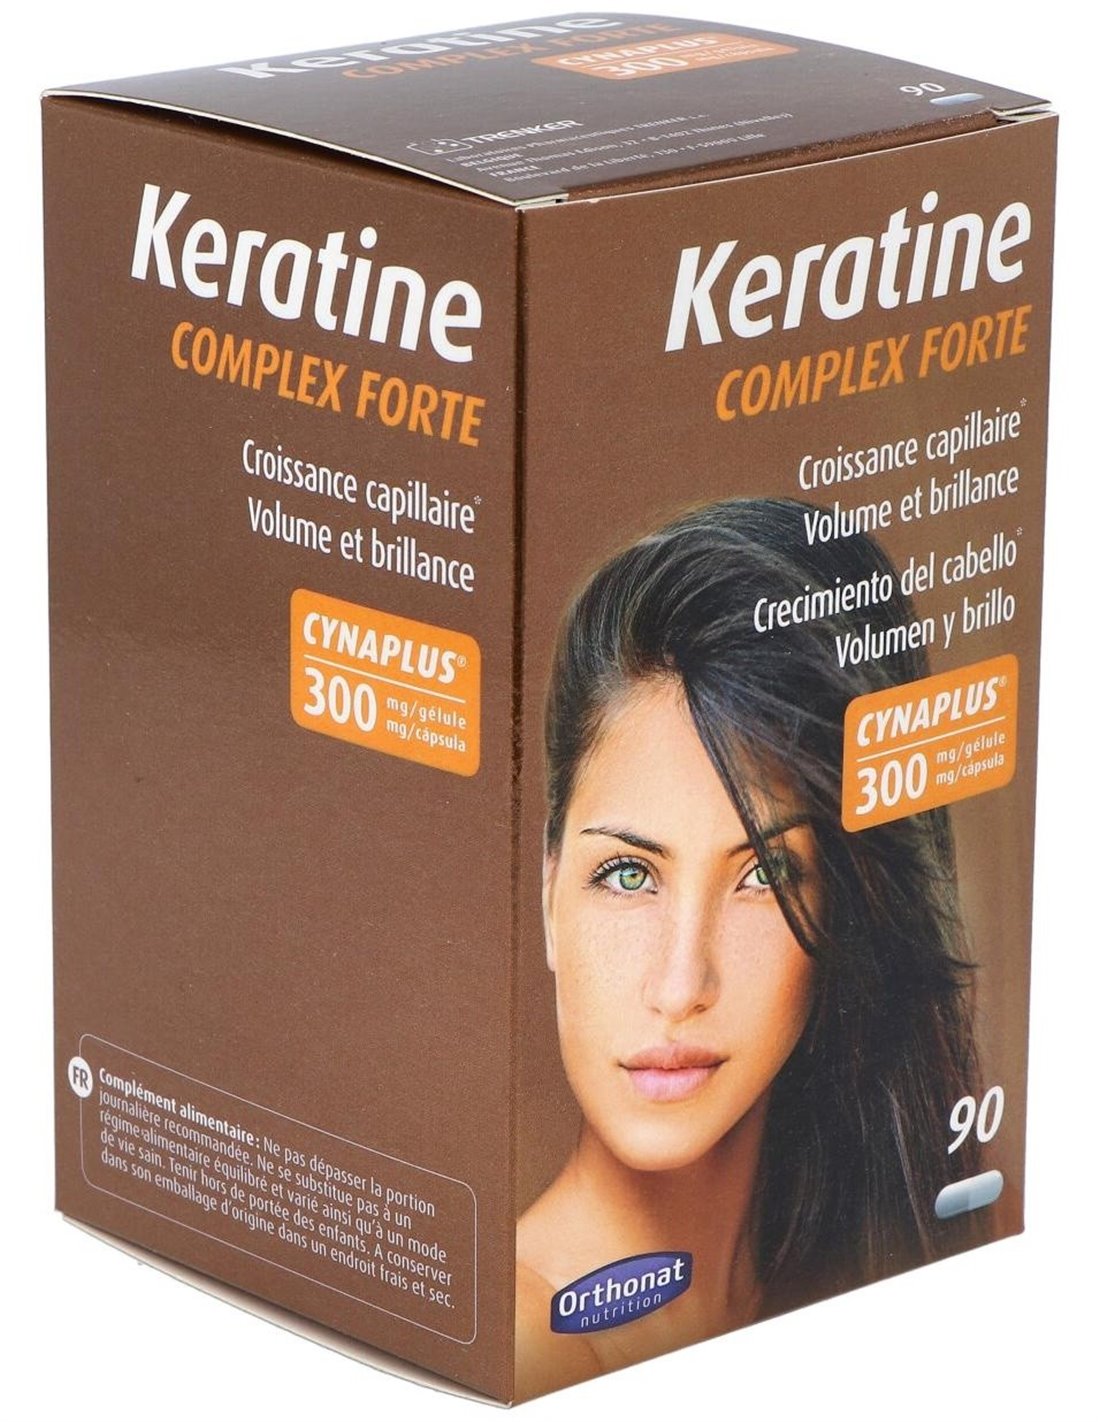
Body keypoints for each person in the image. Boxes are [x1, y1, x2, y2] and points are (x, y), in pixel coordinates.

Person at [516, 497, 984, 1397]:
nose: (680, 984)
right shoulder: (534, 1347)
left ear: (846, 904)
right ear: (549, 891)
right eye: (628, 874)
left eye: (764, 873)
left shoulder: (904, 1258)